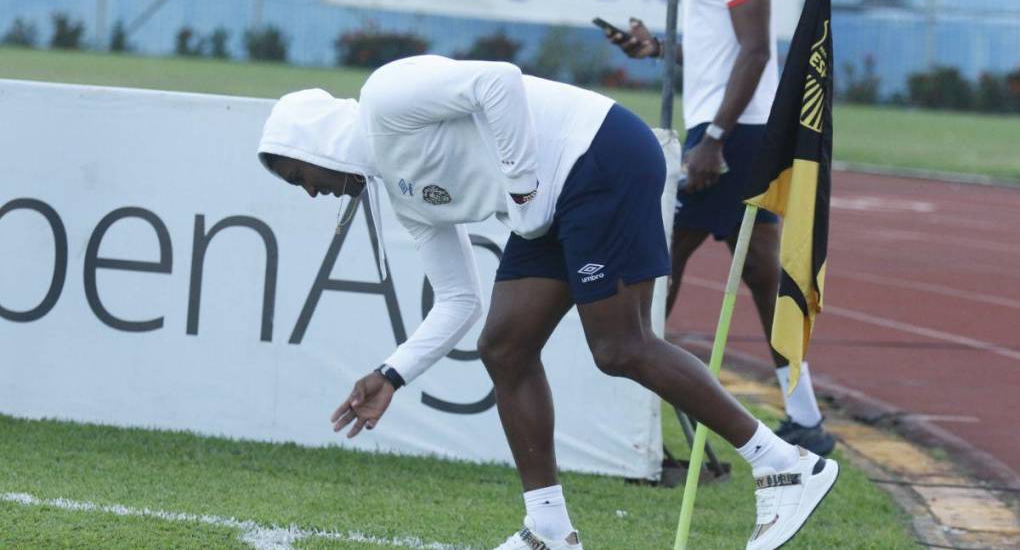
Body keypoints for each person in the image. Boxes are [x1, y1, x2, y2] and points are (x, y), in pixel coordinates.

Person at [256, 54, 838, 550]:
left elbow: (498, 82)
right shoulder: (406, 200)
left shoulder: (383, 97)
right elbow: (458, 301)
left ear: (312, 141)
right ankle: (548, 529)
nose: (308, 189)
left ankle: (784, 465)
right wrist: (392, 374)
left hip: (602, 153)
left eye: (297, 173)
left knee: (619, 346)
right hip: (553, 200)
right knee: (504, 347)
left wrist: (523, 190)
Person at [605, 0, 835, 455]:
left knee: (659, 254)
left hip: (731, 132)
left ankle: (619, 409)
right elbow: (723, 52)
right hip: (737, 128)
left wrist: (714, 140)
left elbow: (755, 50)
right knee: (759, 273)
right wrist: (658, 50)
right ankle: (806, 416)